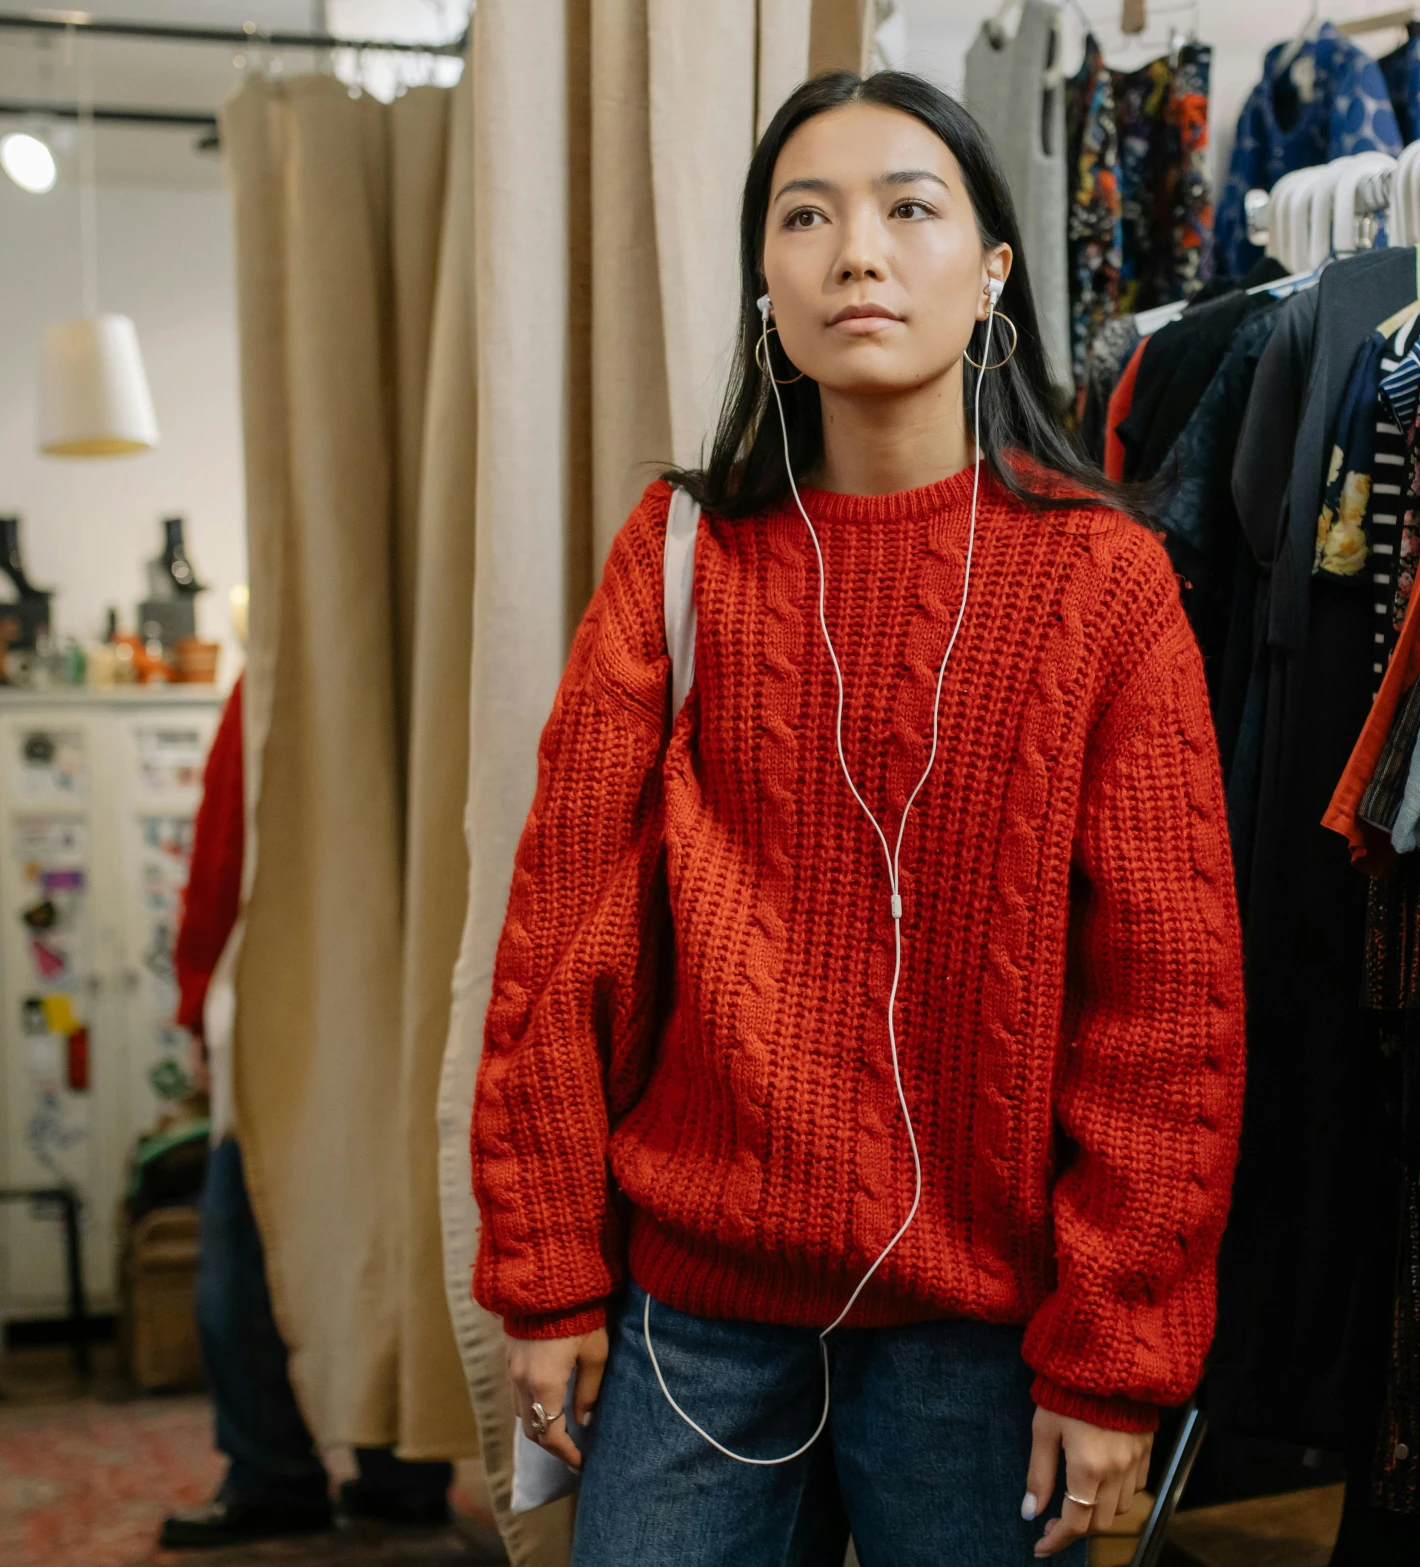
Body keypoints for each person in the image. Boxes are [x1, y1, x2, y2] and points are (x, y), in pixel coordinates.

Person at [469, 70, 1247, 1564]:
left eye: (909, 209)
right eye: (804, 216)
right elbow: (562, 934)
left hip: (981, 1329)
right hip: (694, 1309)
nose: (857, 254)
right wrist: (547, 1270)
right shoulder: (683, 554)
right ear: (765, 276)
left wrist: (1113, 1354)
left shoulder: (1104, 582)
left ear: (992, 266)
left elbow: (1166, 1005)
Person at [160, 676, 456, 1548]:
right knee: (338, 1245)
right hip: (331, 1015)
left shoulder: (277, 685)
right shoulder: (323, 682)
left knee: (256, 1258)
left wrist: (193, 1000)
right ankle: (370, 1465)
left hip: (302, 1015)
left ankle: (305, 1470)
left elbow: (217, 858)